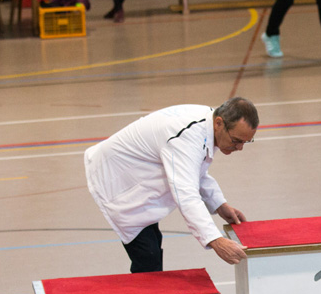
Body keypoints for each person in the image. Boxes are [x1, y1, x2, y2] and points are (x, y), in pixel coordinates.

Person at [84, 98, 258, 273]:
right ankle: (145, 290)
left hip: (138, 178)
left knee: (151, 250)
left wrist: (219, 204)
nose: (240, 148)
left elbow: (196, 172)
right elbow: (186, 194)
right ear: (219, 123)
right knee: (148, 257)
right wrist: (215, 240)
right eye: (236, 140)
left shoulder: (207, 125)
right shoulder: (186, 137)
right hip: (118, 180)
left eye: (245, 142)